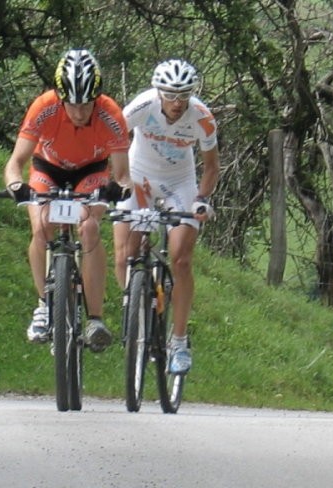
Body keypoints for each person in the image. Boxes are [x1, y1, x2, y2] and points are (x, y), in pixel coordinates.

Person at [3, 48, 131, 352]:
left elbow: (123, 174)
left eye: (86, 104)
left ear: (96, 98)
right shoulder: (44, 107)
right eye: (72, 104)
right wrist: (16, 185)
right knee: (41, 226)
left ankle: (95, 318)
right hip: (48, 169)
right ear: (60, 97)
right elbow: (15, 162)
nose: (78, 112)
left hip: (92, 172)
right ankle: (43, 304)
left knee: (88, 228)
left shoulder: (110, 114)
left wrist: (117, 189)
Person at [114, 59, 220, 373]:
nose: (176, 103)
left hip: (180, 183)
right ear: (158, 92)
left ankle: (179, 340)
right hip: (139, 178)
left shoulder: (202, 117)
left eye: (183, 96)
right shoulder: (142, 106)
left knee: (181, 259)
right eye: (170, 95)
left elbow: (212, 167)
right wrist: (117, 181)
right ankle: (132, 308)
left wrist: (201, 199)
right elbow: (112, 142)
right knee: (124, 255)